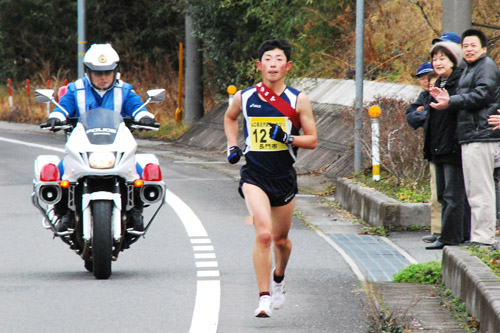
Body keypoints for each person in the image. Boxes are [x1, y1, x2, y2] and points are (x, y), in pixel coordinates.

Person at [224, 39, 317, 317]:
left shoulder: (297, 99)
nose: (273, 64)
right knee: (263, 235)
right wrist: (232, 146)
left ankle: (279, 277)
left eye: (278, 59)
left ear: (287, 66)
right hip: (254, 175)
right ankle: (263, 297)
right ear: (259, 65)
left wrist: (288, 137)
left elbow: (312, 140)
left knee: (280, 240)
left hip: (283, 176)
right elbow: (230, 118)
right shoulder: (244, 96)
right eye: (267, 59)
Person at [47, 43, 156, 232]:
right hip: (83, 146)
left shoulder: (124, 90)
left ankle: (135, 211)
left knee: (138, 173)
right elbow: (62, 108)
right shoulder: (76, 90)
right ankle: (65, 213)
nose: (103, 77)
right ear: (88, 72)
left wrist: (144, 117)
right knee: (59, 174)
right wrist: (55, 118)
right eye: (98, 73)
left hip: (115, 146)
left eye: (108, 72)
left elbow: (137, 107)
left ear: (116, 70)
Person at [431, 29, 500, 246]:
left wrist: (451, 101)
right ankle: (479, 236)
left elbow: (483, 94)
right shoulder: (470, 69)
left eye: (473, 45)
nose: (469, 49)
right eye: (465, 45)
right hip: (471, 134)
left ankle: (483, 238)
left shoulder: (486, 66)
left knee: (481, 190)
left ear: (483, 48)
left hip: (482, 134)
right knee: (474, 190)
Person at [421, 41, 465, 249]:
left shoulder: (460, 82)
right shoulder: (439, 83)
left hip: (453, 145)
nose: (437, 63)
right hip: (437, 146)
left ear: (453, 60)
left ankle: (451, 237)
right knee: (442, 194)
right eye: (435, 58)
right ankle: (448, 235)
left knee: (452, 194)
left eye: (442, 58)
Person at [405, 62, 441, 243]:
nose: (426, 82)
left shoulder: (442, 94)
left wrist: (424, 112)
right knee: (435, 192)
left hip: (445, 148)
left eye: (430, 77)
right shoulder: (424, 96)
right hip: (432, 148)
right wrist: (422, 112)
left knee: (445, 192)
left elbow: (435, 114)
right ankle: (437, 230)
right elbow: (410, 116)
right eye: (422, 78)